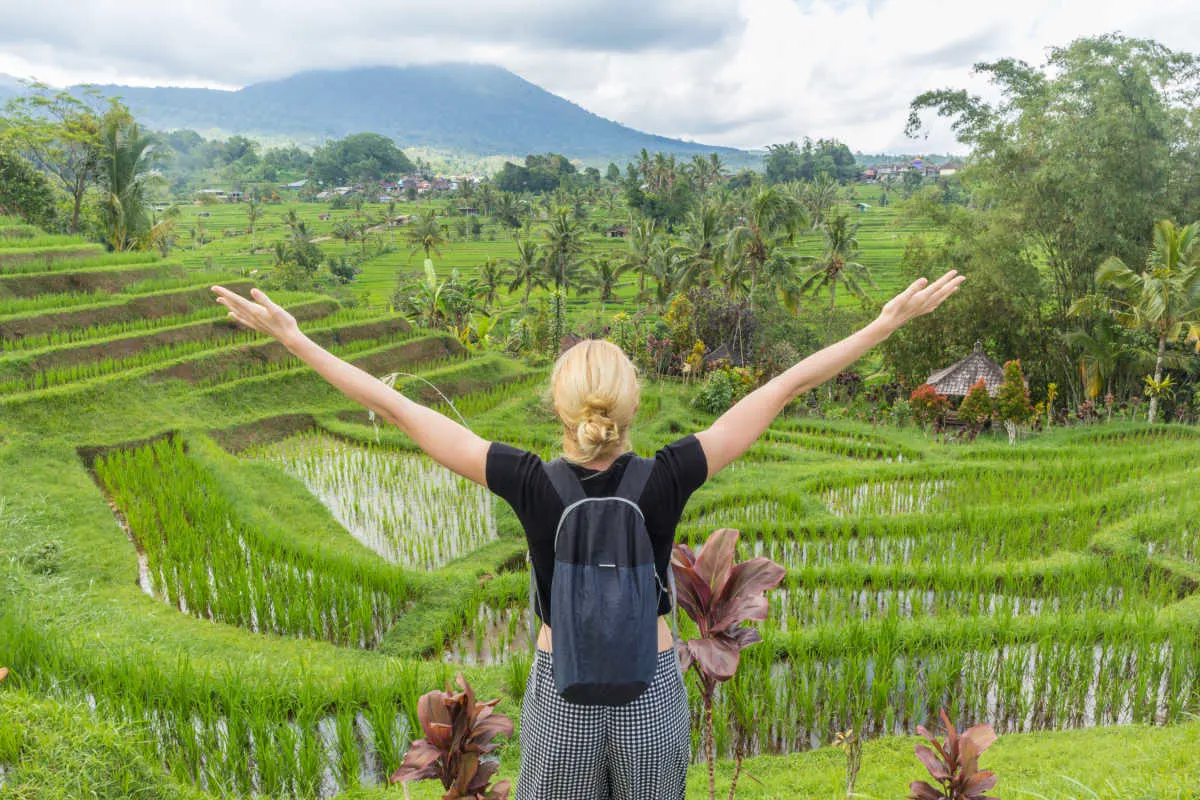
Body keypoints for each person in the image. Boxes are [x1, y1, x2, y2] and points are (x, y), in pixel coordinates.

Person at [210, 268, 963, 799]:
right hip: (649, 695)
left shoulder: (530, 481)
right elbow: (784, 386)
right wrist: (886, 322)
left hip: (561, 695)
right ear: (632, 408)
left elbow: (402, 411)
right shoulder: (670, 473)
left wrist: (296, 339)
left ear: (559, 410)